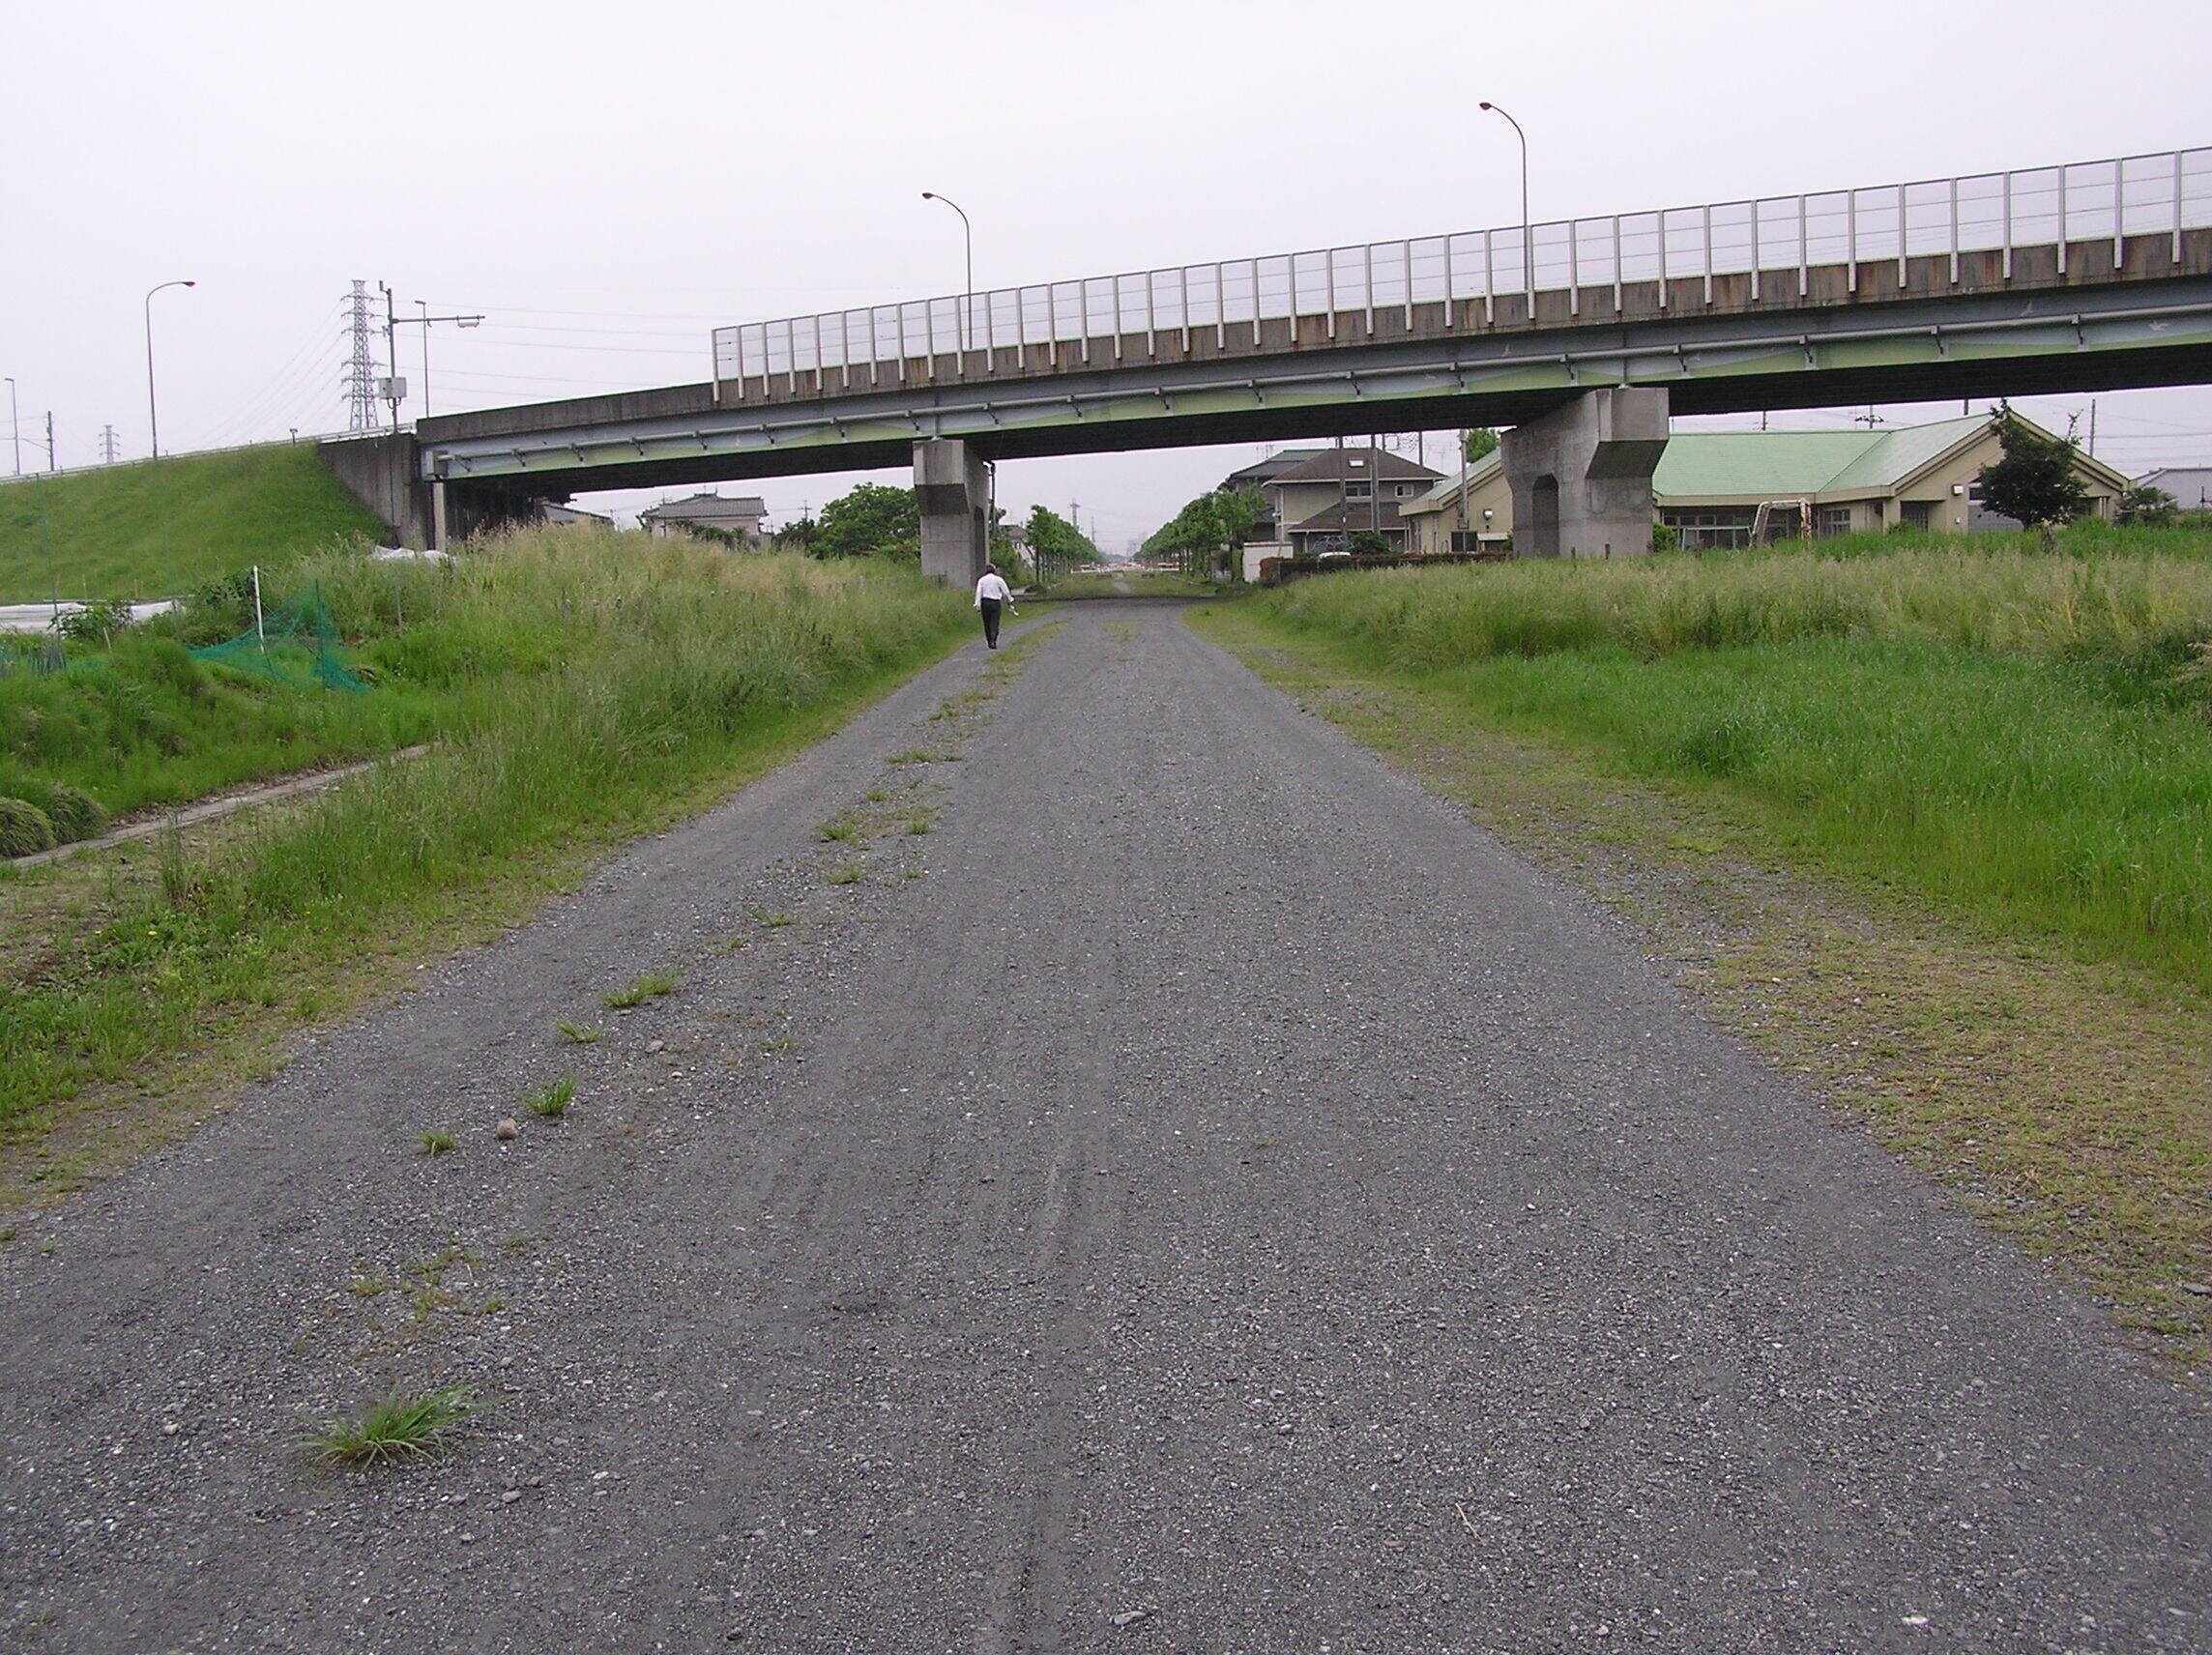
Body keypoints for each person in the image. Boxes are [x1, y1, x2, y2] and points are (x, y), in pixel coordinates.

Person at [973, 563, 1015, 649]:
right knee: (994, 622)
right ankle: (993, 640)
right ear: (994, 570)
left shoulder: (982, 580)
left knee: (987, 622)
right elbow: (1005, 591)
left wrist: (977, 604)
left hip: (985, 602)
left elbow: (979, 592)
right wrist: (1010, 601)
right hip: (995, 603)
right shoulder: (998, 579)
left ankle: (989, 641)